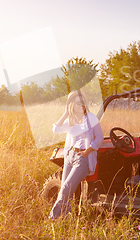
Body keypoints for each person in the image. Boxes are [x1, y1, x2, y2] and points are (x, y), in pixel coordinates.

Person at [49, 90, 104, 220]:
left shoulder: (91, 117)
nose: (82, 104)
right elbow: (56, 129)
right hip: (70, 156)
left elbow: (99, 138)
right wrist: (66, 113)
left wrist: (87, 152)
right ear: (72, 104)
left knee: (66, 188)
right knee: (65, 188)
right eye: (78, 102)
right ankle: (66, 217)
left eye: (83, 101)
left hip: (82, 157)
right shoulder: (71, 120)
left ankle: (53, 219)